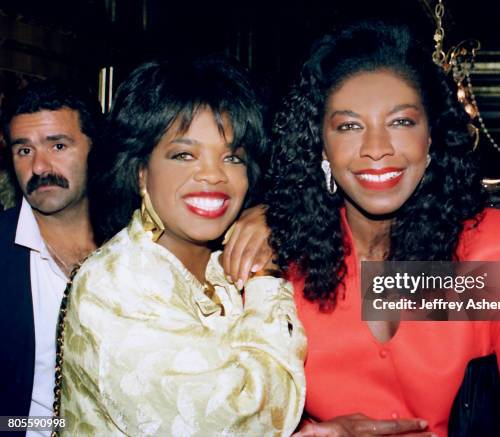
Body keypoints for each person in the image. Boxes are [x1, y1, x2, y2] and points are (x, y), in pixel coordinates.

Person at [223, 22, 500, 436]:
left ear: (431, 136)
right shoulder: (279, 264)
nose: (377, 148)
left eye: (401, 122)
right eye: (349, 126)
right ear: (320, 144)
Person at [58, 57, 306, 436]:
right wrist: (264, 278)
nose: (213, 174)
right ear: (140, 170)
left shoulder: (223, 264)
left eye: (232, 157)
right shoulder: (117, 283)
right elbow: (240, 421)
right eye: (183, 154)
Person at [0, 80, 100, 435]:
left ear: (95, 149)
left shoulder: (139, 243)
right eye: (23, 151)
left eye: (58, 145)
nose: (40, 167)